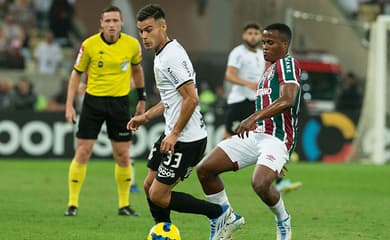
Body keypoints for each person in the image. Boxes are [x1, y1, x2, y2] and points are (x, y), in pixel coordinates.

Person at [128, 4, 241, 240]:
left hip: (186, 139)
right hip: (173, 133)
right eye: (141, 31)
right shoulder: (163, 55)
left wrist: (175, 134)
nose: (145, 36)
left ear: (163, 26)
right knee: (149, 186)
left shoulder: (171, 57)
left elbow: (192, 98)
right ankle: (165, 231)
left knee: (158, 194)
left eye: (149, 30)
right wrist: (146, 116)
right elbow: (172, 100)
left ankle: (221, 214)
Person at [197, 23, 301, 240]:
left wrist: (252, 118)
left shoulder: (287, 63)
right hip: (256, 135)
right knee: (205, 169)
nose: (265, 47)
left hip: (277, 138)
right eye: (264, 42)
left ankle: (283, 220)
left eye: (270, 42)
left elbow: (288, 99)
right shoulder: (268, 70)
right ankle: (226, 218)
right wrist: (256, 124)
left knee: (260, 183)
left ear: (285, 44)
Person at [63, 5, 146, 217]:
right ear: (101, 23)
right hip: (93, 103)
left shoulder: (132, 45)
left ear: (121, 23)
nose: (111, 25)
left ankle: (124, 205)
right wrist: (69, 104)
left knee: (123, 155)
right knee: (83, 151)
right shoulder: (89, 45)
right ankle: (72, 204)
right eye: (107, 21)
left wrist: (142, 98)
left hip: (119, 104)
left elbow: (137, 70)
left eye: (115, 21)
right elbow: (76, 74)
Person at [224, 22, 265, 139]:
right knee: (231, 135)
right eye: (250, 33)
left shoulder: (262, 54)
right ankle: (226, 157)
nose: (253, 36)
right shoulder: (238, 52)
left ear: (261, 36)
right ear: (244, 36)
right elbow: (229, 75)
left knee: (252, 136)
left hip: (256, 101)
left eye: (256, 33)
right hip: (239, 100)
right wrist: (248, 84)